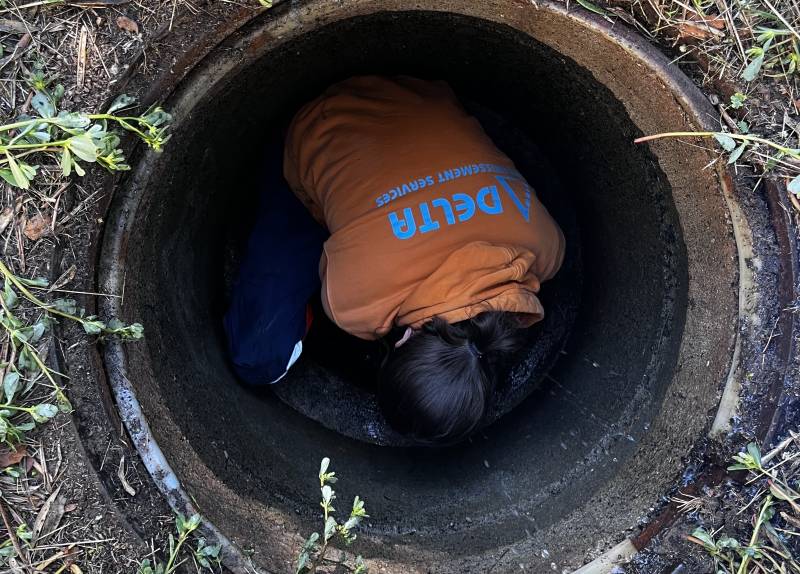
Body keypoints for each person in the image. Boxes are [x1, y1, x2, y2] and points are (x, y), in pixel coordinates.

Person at [225, 76, 565, 445]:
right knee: (257, 359)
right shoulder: (356, 306)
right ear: (401, 341)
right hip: (316, 124)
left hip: (418, 89)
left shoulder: (546, 248)